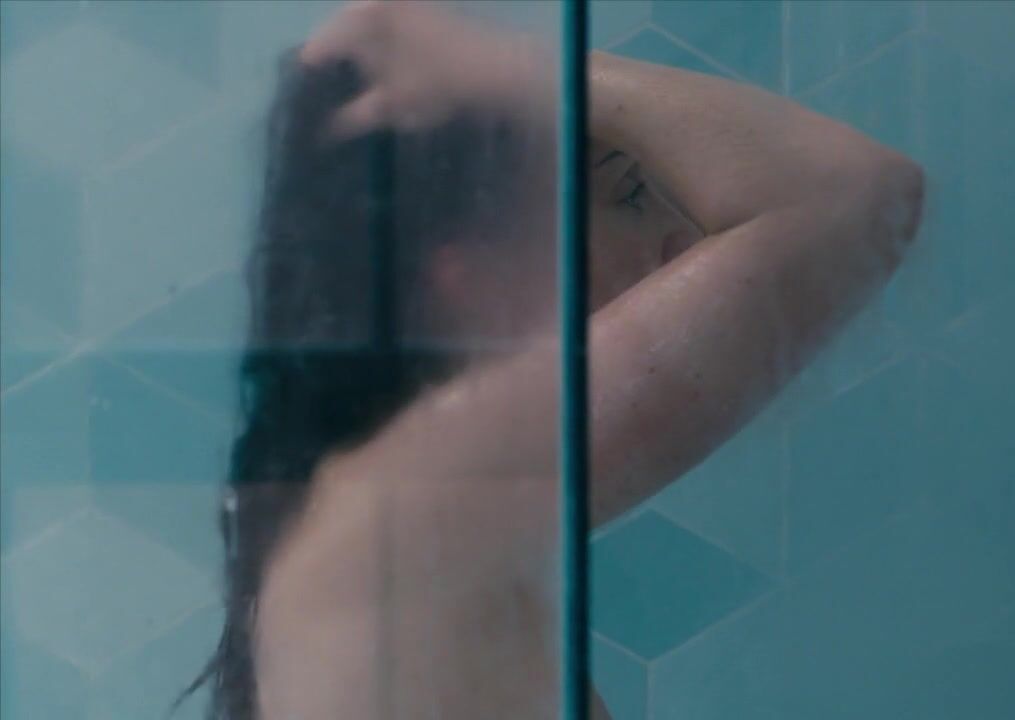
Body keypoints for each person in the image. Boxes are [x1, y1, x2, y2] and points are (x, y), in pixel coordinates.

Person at [186, 2, 923, 718]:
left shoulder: (382, 521)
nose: (684, 243)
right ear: (466, 272)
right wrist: (526, 72)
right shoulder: (417, 502)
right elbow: (850, 195)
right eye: (629, 198)